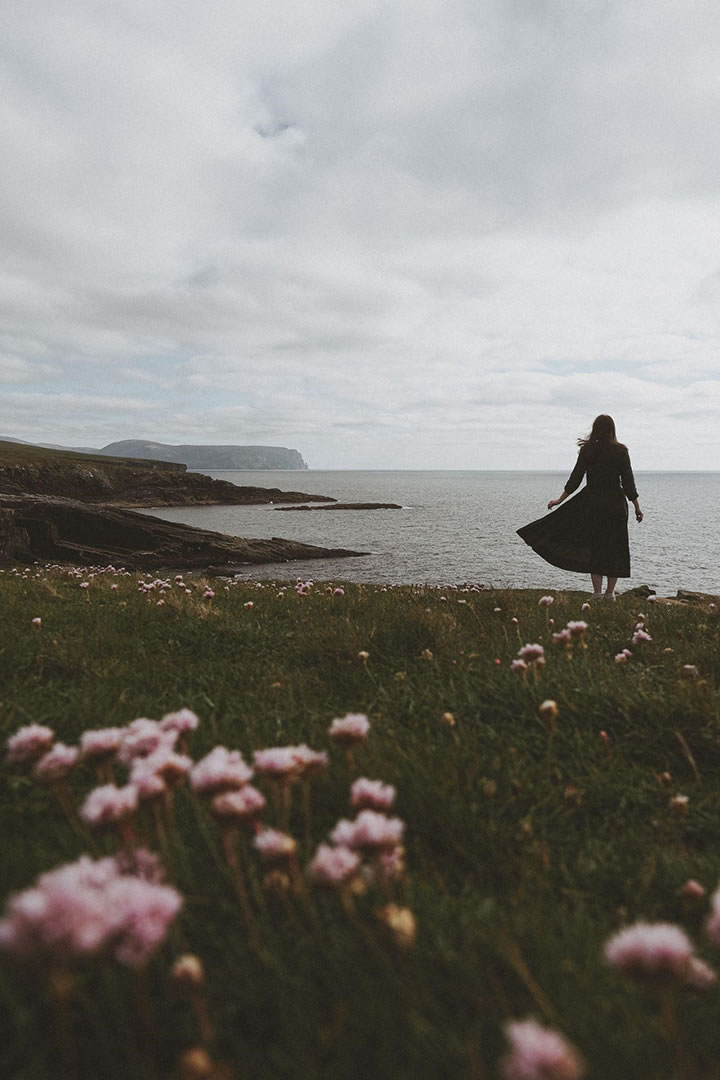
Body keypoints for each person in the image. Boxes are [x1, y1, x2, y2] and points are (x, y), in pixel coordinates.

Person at [516, 415, 643, 598]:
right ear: (612, 430)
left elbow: (575, 479)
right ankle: (610, 594)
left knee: (597, 547)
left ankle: (597, 593)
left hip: (593, 503)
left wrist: (559, 500)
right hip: (615, 505)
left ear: (595, 429)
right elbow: (628, 482)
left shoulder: (588, 450)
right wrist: (637, 506)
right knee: (615, 548)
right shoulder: (621, 451)